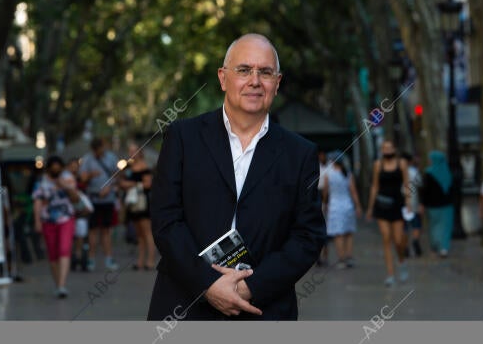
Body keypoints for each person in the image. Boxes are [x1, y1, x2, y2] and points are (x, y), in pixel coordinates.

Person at [147, 33, 326, 320]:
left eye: (265, 72)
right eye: (243, 70)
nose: (255, 81)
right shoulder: (183, 137)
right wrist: (208, 284)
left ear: (277, 83)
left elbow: (307, 236)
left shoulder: (300, 153)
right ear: (222, 78)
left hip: (263, 308)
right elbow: (166, 220)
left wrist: (250, 288)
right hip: (183, 304)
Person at [32, 156, 79, 298]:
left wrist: (65, 186)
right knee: (53, 254)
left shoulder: (68, 178)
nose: (56, 171)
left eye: (58, 168)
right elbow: (37, 201)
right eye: (53, 168)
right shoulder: (41, 181)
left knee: (64, 249)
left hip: (66, 218)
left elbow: (76, 198)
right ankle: (58, 283)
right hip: (48, 220)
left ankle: (62, 285)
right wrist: (37, 221)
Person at [366, 141, 411, 287]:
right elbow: (375, 186)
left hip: (397, 204)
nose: (387, 150)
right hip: (382, 205)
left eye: (390, 147)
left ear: (395, 149)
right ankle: (390, 274)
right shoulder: (378, 165)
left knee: (398, 240)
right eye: (385, 148)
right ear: (381, 150)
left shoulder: (402, 163)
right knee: (386, 238)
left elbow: (406, 184)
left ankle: (402, 261)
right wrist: (370, 208)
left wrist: (409, 203)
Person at [79, 137, 120, 271]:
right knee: (93, 231)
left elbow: (117, 176)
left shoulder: (111, 157)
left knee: (106, 230)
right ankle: (91, 260)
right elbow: (82, 178)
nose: (99, 152)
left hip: (108, 199)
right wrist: (91, 175)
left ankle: (109, 259)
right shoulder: (87, 159)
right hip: (93, 199)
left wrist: (109, 187)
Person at [322, 152, 362, 269]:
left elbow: (325, 191)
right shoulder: (348, 173)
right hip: (348, 205)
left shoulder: (328, 174)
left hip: (334, 206)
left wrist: (324, 203)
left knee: (338, 233)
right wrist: (358, 205)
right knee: (348, 232)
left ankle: (341, 258)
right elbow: (353, 191)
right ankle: (349, 256)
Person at [120, 143, 156, 270]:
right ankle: (140, 261)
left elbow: (148, 184)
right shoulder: (128, 167)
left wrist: (131, 184)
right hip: (132, 203)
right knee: (139, 234)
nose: (132, 153)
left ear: (140, 152)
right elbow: (121, 182)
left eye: (134, 150)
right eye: (130, 151)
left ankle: (150, 260)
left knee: (147, 233)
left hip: (142, 202)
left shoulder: (144, 166)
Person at [419, 151, 454, 258]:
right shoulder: (448, 172)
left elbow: (425, 191)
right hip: (447, 205)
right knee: (446, 227)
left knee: (434, 227)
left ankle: (435, 247)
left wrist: (422, 204)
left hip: (433, 206)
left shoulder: (428, 173)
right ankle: (444, 248)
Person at [402, 152, 423, 258]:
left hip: (402, 203)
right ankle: (415, 240)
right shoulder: (414, 172)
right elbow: (420, 185)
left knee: (404, 227)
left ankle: (405, 246)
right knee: (416, 225)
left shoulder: (399, 171)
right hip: (414, 202)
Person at [317, 150, 330, 267]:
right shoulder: (315, 166)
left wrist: (325, 201)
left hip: (325, 197)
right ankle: (319, 256)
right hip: (318, 195)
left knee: (324, 227)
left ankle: (324, 254)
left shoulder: (328, 167)